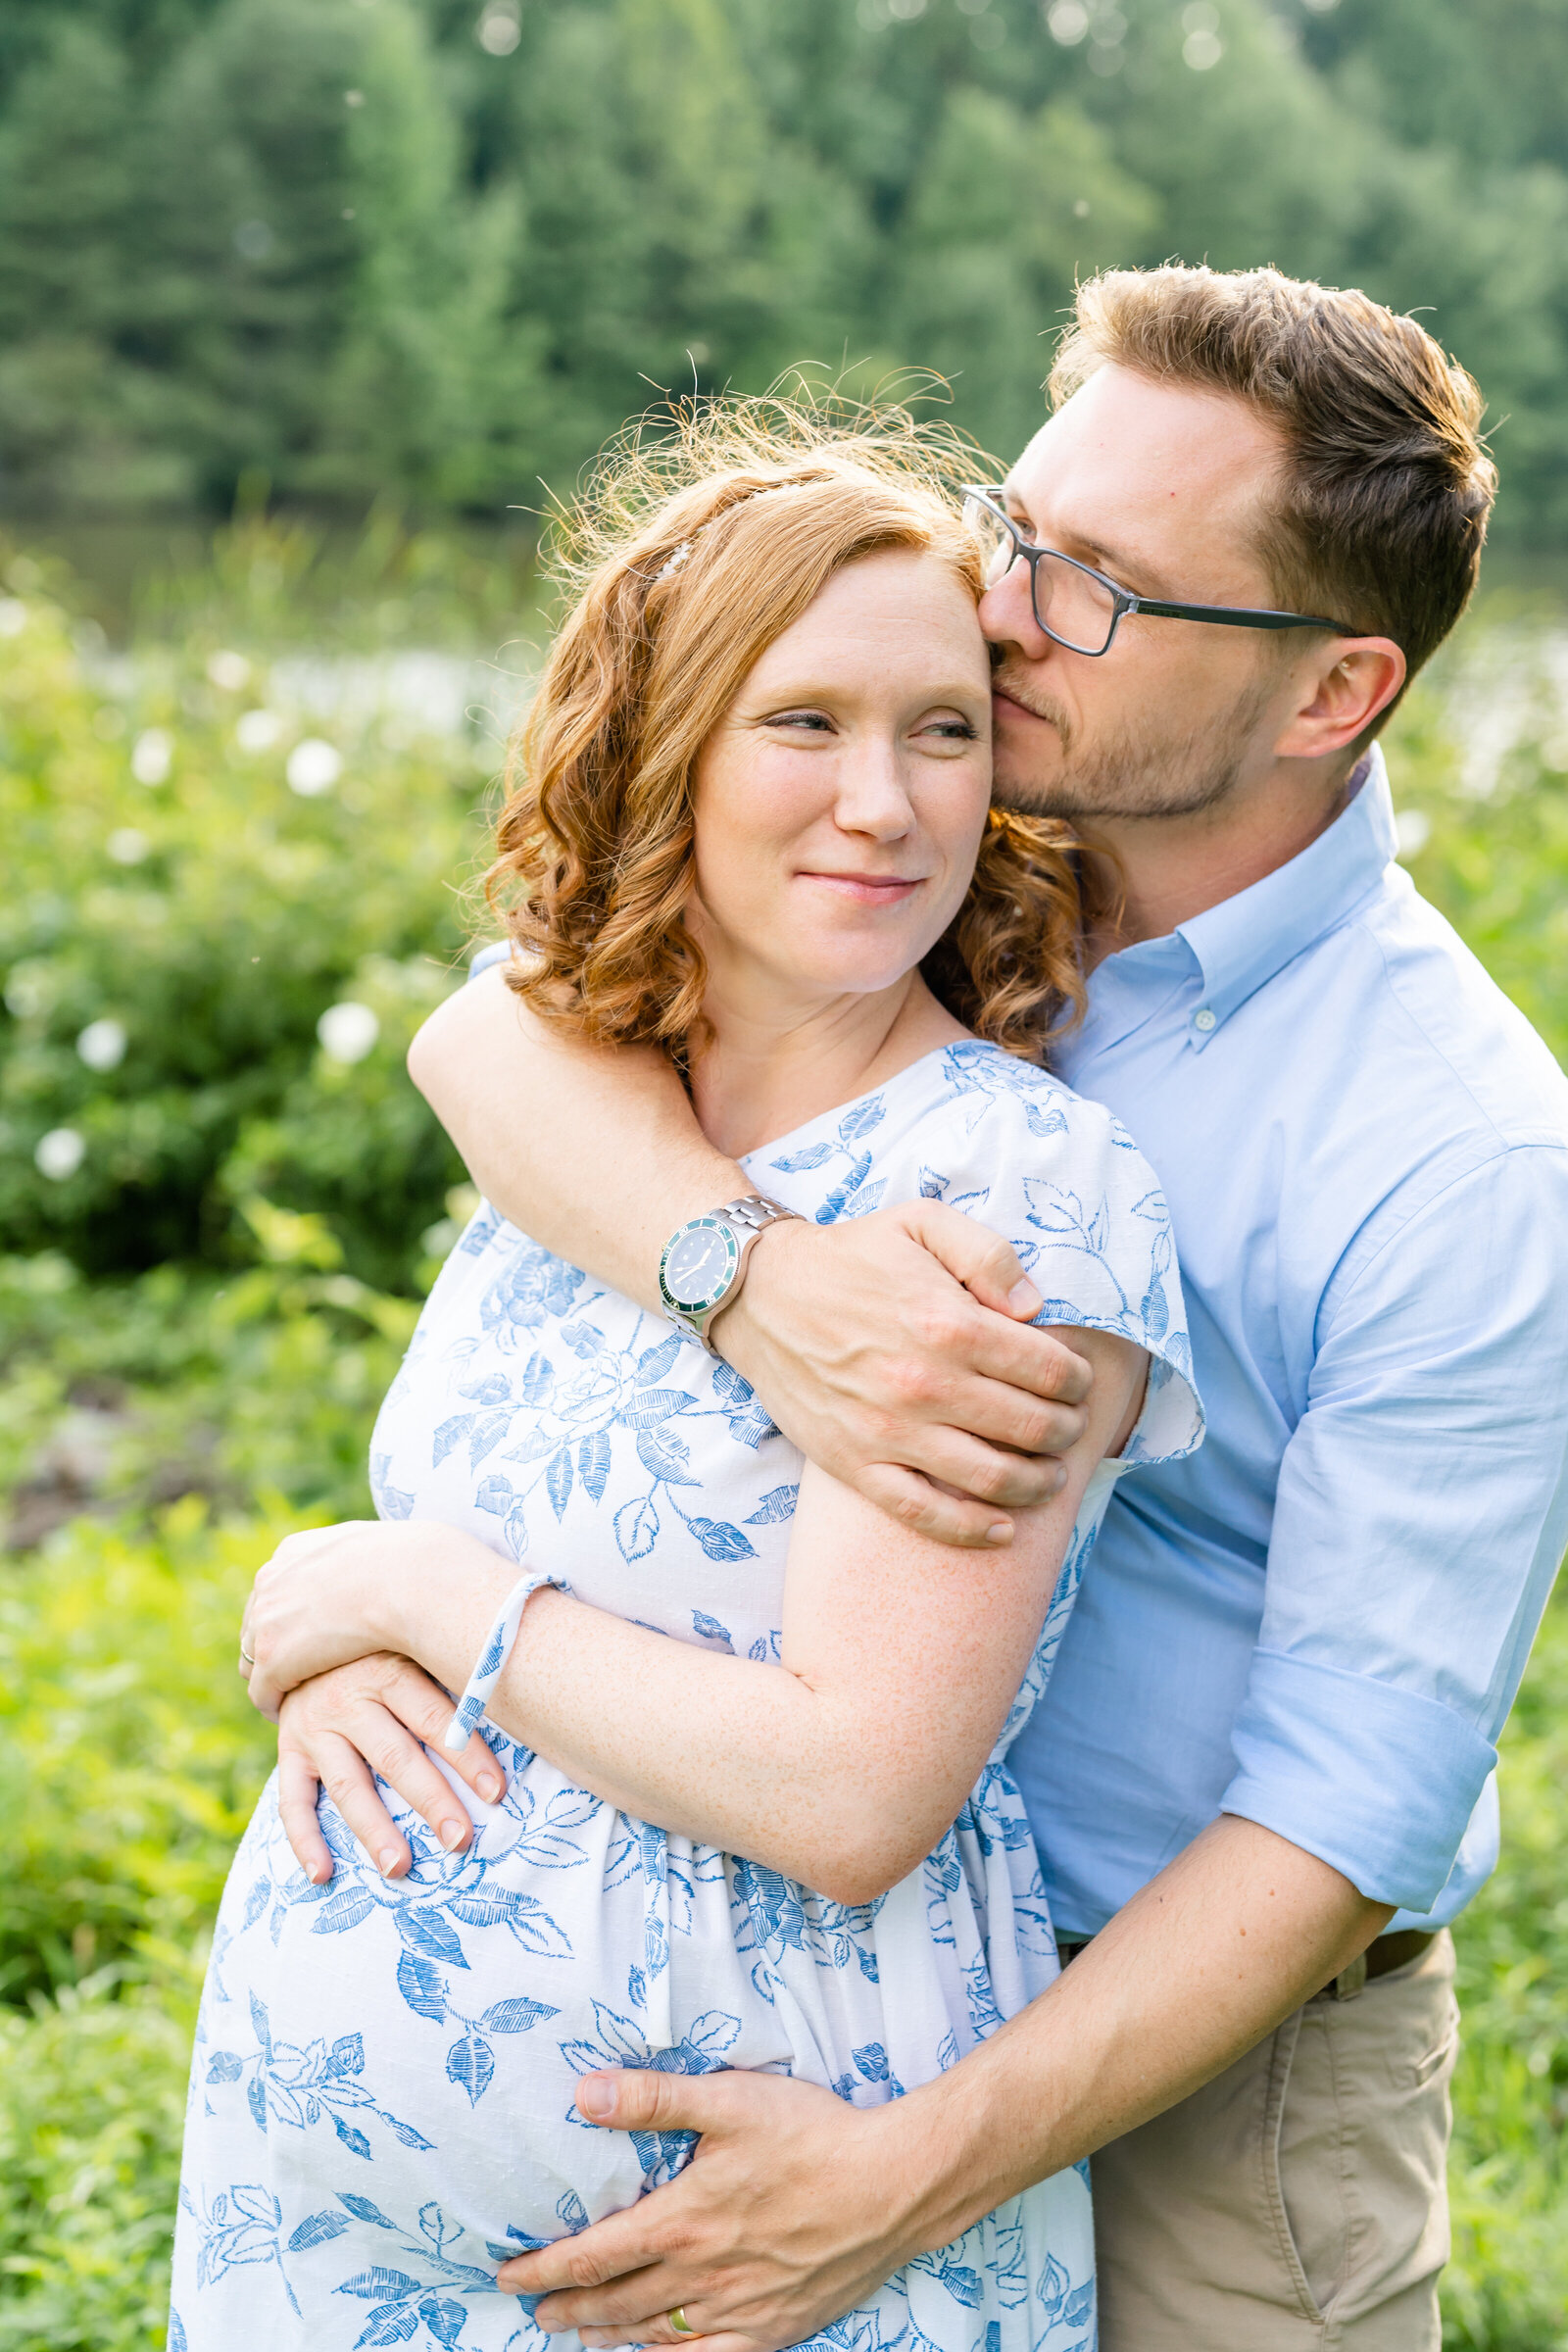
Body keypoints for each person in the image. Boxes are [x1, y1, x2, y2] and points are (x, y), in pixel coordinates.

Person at [368, 268, 1568, 2349]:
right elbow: (494, 1037)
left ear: (1325, 692)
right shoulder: (940, 826)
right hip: (790, 1967)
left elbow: (1340, 1807)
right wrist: (750, 1283)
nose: (997, 615)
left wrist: (910, 2171)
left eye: (1097, 588)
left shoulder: (1458, 1157)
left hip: (1194, 2061)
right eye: (1020, 531)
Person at [172, 410, 1202, 2350]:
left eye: (942, 730)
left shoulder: (1005, 1199)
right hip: (321, 2230)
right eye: (800, 722)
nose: (885, 804)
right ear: (666, 747)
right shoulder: (585, 1112)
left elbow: (850, 1788)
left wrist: (405, 1599)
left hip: (752, 2251)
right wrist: (342, 1656)